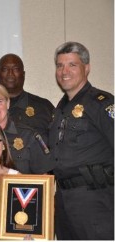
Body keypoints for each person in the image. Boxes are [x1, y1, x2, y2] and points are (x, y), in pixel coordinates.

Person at [48, 41, 114, 240]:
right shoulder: (59, 109)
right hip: (64, 200)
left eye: (72, 65)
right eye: (60, 66)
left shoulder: (102, 103)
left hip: (94, 199)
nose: (64, 71)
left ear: (87, 68)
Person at [0, 53, 54, 139]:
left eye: (15, 69)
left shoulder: (43, 106)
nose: (10, 74)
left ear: (23, 74)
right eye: (5, 69)